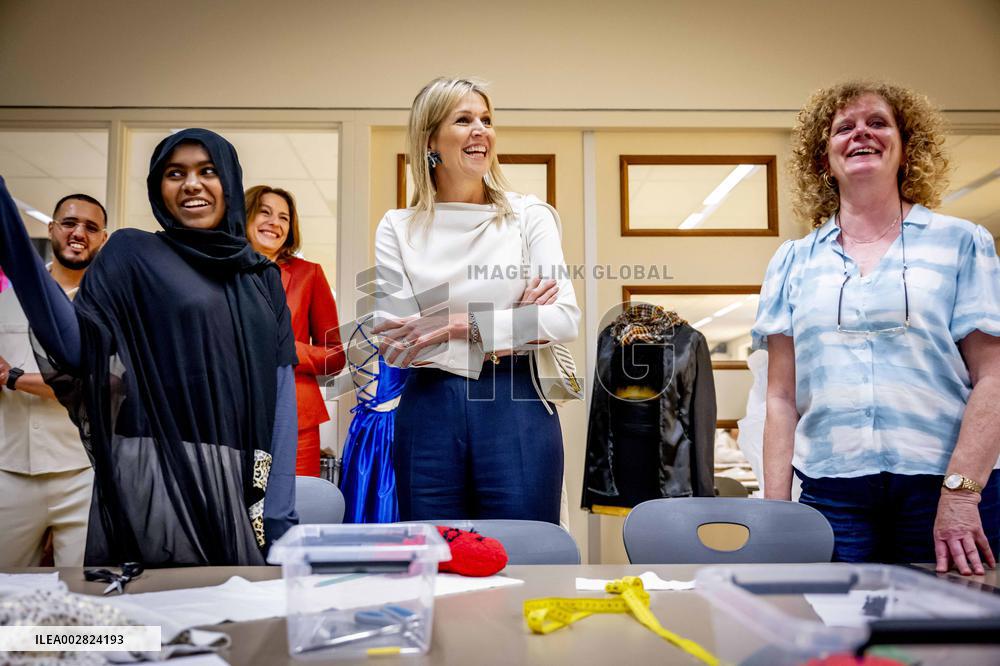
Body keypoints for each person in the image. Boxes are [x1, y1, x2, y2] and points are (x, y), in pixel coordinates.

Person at [0, 128, 298, 566]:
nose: (192, 183)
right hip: (155, 469)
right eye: (175, 173)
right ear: (159, 187)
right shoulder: (131, 253)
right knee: (147, 626)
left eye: (207, 171)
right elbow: (77, 351)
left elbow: (281, 394)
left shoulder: (260, 276)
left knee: (229, 625)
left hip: (237, 476)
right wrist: (9, 231)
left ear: (230, 183)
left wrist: (279, 519)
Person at [753, 81, 1000, 574]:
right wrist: (776, 510)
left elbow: (993, 377)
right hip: (832, 490)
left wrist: (960, 493)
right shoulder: (794, 261)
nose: (860, 133)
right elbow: (779, 398)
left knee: (948, 642)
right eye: (843, 127)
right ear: (824, 159)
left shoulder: (961, 243)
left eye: (877, 123)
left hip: (944, 485)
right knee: (834, 638)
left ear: (907, 150)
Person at [374, 77, 580, 524]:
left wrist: (454, 323)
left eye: (486, 120)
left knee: (524, 557)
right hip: (429, 410)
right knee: (439, 563)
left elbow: (562, 318)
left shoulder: (530, 217)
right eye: (463, 120)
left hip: (516, 403)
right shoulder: (398, 227)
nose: (480, 130)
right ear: (430, 139)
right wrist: (515, 324)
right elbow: (395, 342)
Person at [0, 194, 107, 566]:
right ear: (51, 229)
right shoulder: (8, 301)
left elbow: (94, 382)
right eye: (69, 223)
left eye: (91, 228)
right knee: (6, 592)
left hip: (82, 472)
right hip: (9, 471)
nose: (79, 233)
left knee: (82, 598)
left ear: (103, 240)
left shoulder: (107, 309)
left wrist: (11, 377)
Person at [245, 185, 345, 477]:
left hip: (296, 418)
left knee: (296, 507)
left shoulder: (309, 275)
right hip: (233, 414)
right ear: (245, 216)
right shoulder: (222, 273)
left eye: (284, 217)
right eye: (264, 212)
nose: (274, 222)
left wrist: (290, 349)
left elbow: (335, 356)